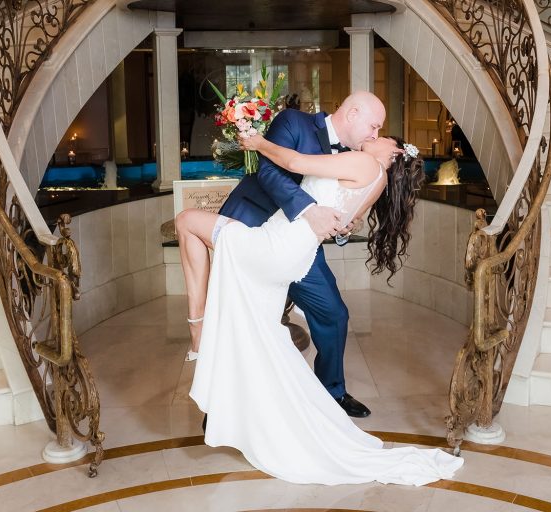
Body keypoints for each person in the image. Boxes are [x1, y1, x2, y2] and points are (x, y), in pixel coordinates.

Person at [173, 132, 464, 486]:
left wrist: (257, 143)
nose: (373, 136)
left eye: (380, 136)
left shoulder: (366, 163)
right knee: (265, 339)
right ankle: (255, 411)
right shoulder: (378, 182)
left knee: (187, 221)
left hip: (277, 246)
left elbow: (296, 163)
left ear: (395, 151)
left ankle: (198, 331)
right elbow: (342, 222)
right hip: (292, 254)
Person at [213, 90, 387, 418]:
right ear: (352, 114)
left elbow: (335, 202)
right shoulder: (294, 121)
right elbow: (267, 171)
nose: (375, 135)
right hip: (253, 226)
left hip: (299, 247)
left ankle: (331, 393)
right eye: (374, 126)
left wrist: (343, 223)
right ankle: (222, 402)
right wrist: (308, 210)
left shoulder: (353, 155)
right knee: (238, 316)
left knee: (334, 314)